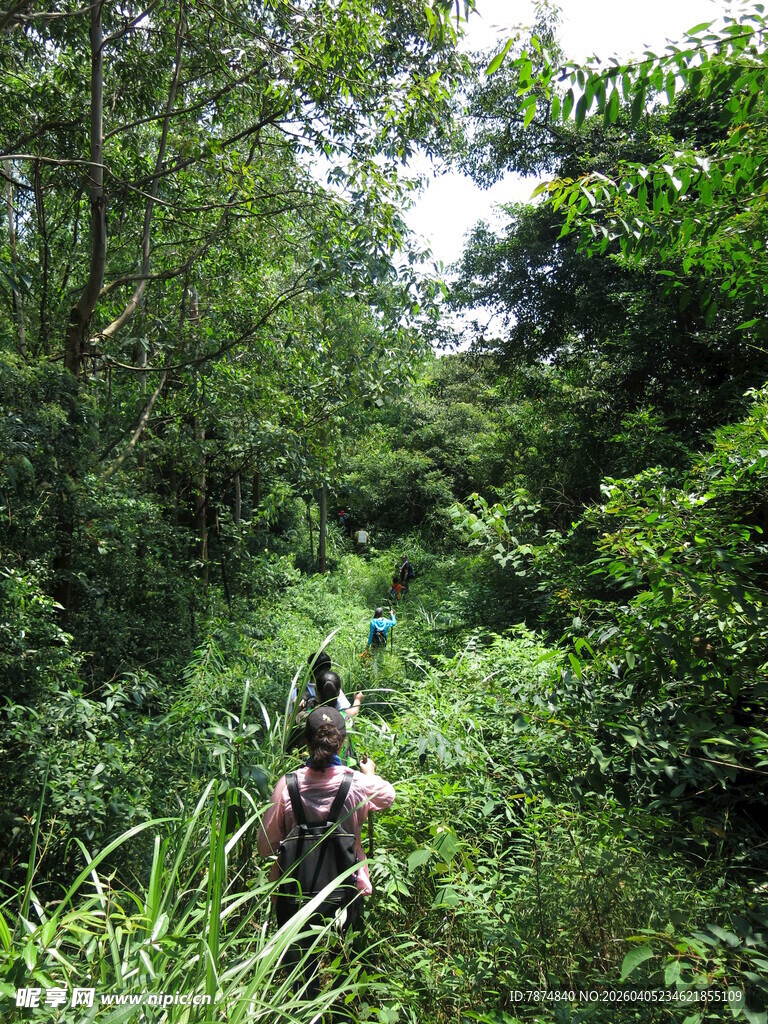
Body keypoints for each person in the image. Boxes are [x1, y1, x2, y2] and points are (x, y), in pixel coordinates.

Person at [257, 707, 395, 996]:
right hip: (346, 892)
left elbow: (264, 847)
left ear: (306, 743)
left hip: (294, 896)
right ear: (341, 743)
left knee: (300, 979)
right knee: (347, 969)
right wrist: (370, 773)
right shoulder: (356, 783)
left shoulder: (287, 786)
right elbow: (388, 797)